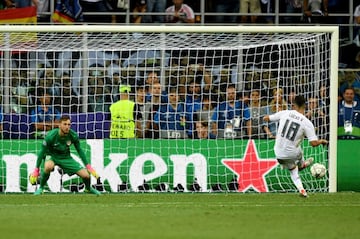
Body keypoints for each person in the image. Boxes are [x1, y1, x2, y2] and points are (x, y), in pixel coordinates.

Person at [263, 95, 328, 197]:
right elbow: (313, 143)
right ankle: (302, 164)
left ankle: (302, 190)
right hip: (293, 154)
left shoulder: (285, 113)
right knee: (298, 147)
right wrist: (322, 141)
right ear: (305, 106)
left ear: (293, 105)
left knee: (293, 170)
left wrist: (271, 116)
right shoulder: (307, 122)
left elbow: (266, 118)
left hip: (278, 153)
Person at [29, 115, 101, 195]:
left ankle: (88, 189)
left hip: (66, 158)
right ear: (59, 125)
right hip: (52, 156)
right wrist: (36, 170)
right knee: (48, 166)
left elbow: (79, 150)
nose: (67, 127)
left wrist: (88, 166)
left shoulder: (73, 135)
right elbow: (42, 152)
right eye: (65, 124)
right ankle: (41, 188)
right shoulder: (50, 136)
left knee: (86, 176)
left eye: (69, 124)